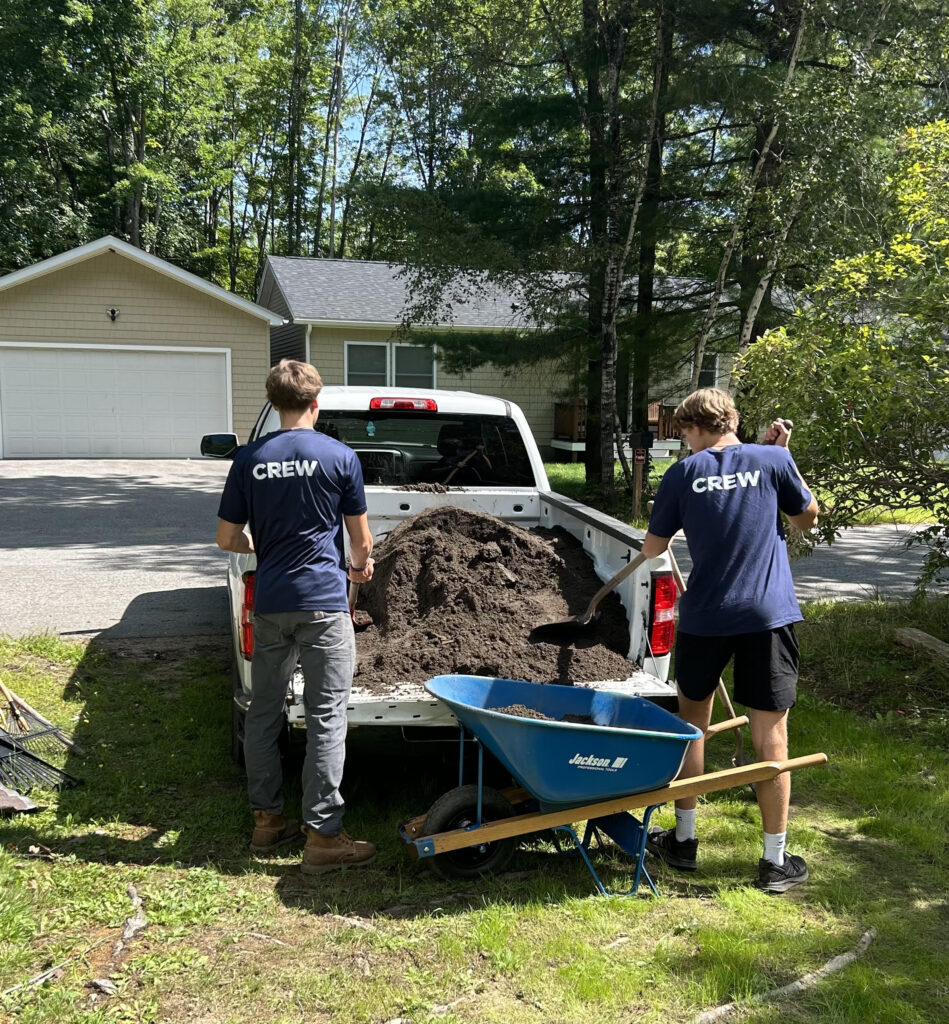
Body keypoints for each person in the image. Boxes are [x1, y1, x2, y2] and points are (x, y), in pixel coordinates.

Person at [640, 387, 819, 893]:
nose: (684, 445)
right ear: (732, 422)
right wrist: (786, 459)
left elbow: (654, 547)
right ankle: (774, 861)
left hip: (705, 619)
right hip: (767, 616)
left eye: (684, 435)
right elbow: (807, 518)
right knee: (771, 735)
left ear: (693, 429)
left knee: (692, 724)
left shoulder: (682, 474)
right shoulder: (772, 459)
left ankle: (685, 841)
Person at [216, 359, 376, 874]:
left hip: (270, 604)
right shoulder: (339, 456)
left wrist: (258, 545)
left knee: (264, 710)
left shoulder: (249, 459)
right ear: (315, 402)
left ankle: (267, 821)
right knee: (326, 715)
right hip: (324, 604)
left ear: (275, 403)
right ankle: (323, 837)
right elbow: (360, 538)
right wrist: (359, 568)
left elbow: (226, 539)